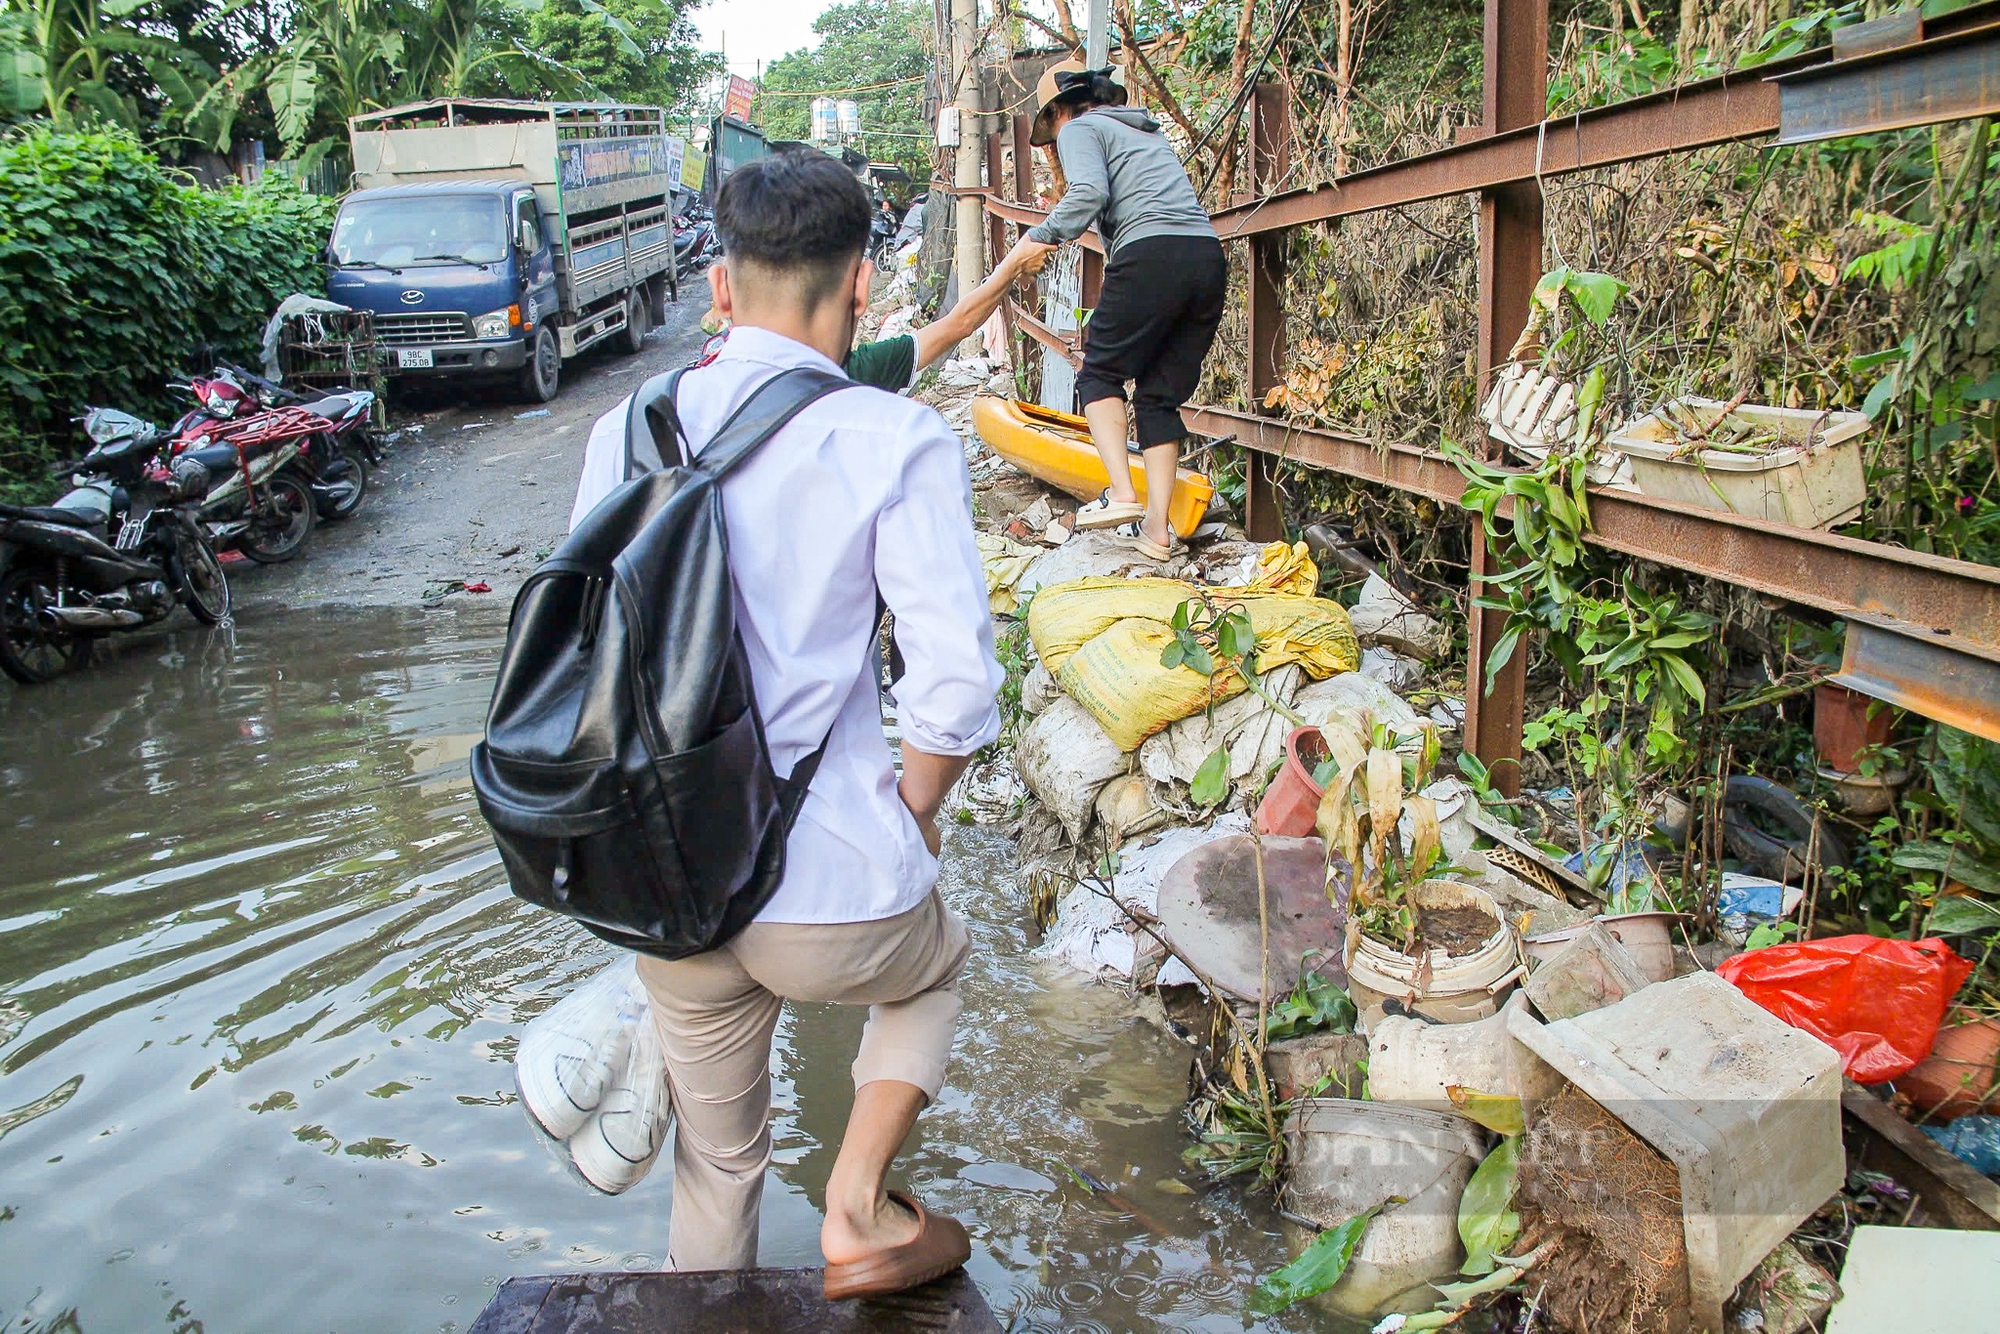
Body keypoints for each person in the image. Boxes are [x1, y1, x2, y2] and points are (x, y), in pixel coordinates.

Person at [567, 151, 1003, 1298]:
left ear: (719, 286)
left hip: (663, 885)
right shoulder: (889, 435)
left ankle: (704, 1304)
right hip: (831, 897)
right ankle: (857, 1205)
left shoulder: (628, 425)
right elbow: (952, 684)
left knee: (716, 1162)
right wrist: (910, 813)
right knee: (935, 968)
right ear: (862, 283)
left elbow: (581, 645)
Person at [1017, 61, 1225, 561]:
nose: (1054, 149)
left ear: (1059, 111)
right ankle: (1157, 532)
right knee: (1157, 395)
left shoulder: (1080, 128)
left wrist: (1038, 238)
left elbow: (1089, 194)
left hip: (1152, 253)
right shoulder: (1144, 131)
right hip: (1206, 262)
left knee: (1099, 373)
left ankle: (1123, 494)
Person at [703, 233, 1050, 392]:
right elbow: (959, 323)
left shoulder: (687, 389)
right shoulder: (849, 371)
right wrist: (1014, 263)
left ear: (722, 292)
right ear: (859, 290)